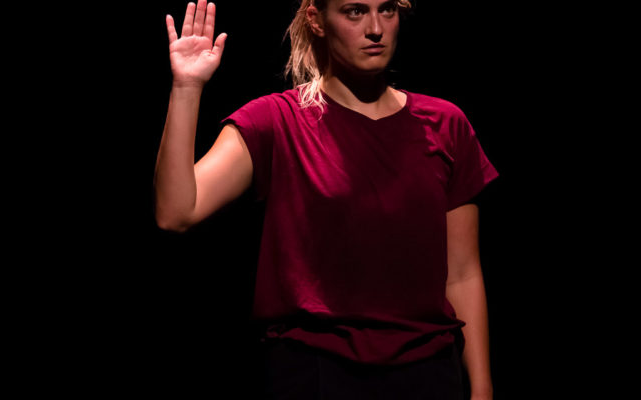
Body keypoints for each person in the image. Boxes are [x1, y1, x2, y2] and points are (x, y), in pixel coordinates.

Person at [153, 1, 498, 399]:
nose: (375, 28)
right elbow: (176, 212)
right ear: (316, 20)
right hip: (315, 371)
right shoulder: (278, 120)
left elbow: (462, 273)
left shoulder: (445, 124)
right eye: (354, 11)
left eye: (387, 10)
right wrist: (187, 88)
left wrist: (482, 387)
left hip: (428, 372)